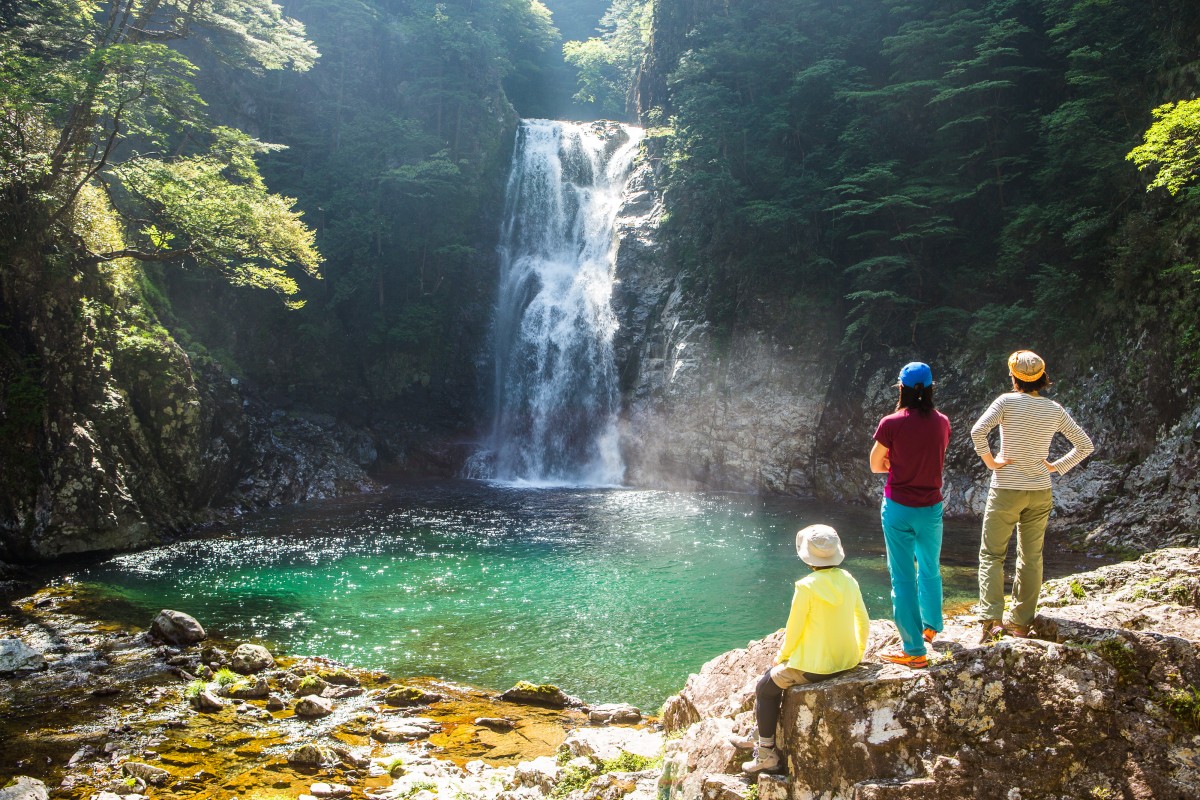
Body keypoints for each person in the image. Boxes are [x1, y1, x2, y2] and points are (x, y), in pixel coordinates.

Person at [970, 350, 1094, 642]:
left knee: (992, 555)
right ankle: (1021, 624)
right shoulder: (1054, 409)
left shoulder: (1006, 401)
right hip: (1040, 490)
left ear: (1014, 376)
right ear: (1042, 378)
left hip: (1005, 489)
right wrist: (1056, 466)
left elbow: (978, 432)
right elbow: (1084, 444)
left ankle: (992, 623)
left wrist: (991, 462)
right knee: (1031, 557)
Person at [739, 524, 870, 775]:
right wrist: (857, 654)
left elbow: (794, 630)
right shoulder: (848, 579)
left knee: (765, 687)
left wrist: (782, 657)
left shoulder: (806, 586)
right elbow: (862, 621)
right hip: (848, 659)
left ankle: (766, 752)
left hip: (816, 667)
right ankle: (759, 731)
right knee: (771, 679)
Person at [869, 361, 951, 669]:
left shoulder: (891, 423)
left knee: (902, 578)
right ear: (930, 388)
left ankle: (914, 650)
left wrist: (894, 464)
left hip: (899, 507)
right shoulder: (942, 422)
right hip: (931, 507)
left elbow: (876, 464)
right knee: (930, 568)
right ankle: (930, 626)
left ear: (901, 388)